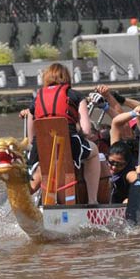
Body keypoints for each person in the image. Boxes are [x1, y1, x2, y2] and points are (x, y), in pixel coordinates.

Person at [23, 63, 101, 204]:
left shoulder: (35, 100)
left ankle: (36, 200)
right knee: (94, 152)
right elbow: (87, 131)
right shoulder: (76, 95)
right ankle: (92, 200)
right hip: (68, 144)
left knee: (39, 163)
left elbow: (30, 139)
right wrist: (82, 133)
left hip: (41, 148)